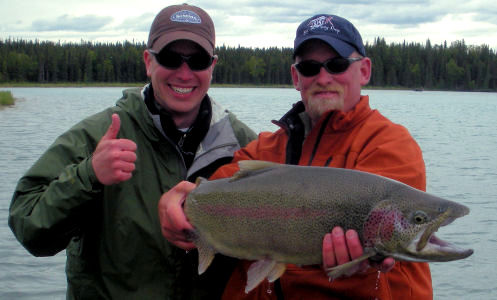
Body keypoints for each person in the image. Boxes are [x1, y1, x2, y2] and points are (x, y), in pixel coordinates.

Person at [159, 14, 433, 299]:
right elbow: (211, 192)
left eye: (337, 65)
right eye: (310, 67)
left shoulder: (390, 146)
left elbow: (385, 247)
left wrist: (352, 263)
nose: (323, 78)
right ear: (295, 77)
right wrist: (176, 202)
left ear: (364, 71)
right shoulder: (265, 149)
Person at [8, 4, 256, 299]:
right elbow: (30, 229)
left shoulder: (243, 145)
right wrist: (89, 175)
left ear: (212, 67)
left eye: (198, 60)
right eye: (171, 58)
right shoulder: (98, 134)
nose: (184, 73)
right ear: (148, 61)